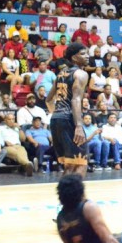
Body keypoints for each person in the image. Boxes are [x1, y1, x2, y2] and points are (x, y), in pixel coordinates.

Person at [47, 43, 90, 176]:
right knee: (80, 163)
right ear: (74, 58)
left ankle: (66, 190)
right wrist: (79, 126)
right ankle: (74, 191)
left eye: (87, 53)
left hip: (56, 119)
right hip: (69, 119)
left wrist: (56, 114)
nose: (87, 56)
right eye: (83, 54)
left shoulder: (61, 74)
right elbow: (75, 100)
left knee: (70, 165)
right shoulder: (81, 74)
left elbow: (48, 99)